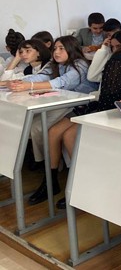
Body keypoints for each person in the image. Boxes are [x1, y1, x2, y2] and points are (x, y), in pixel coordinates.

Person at [49, 17, 121, 209]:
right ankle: (80, 184)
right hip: (115, 111)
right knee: (67, 134)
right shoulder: (119, 60)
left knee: (70, 134)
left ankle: (83, 184)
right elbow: (109, 98)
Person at [8, 36, 99, 205]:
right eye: (55, 48)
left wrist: (29, 86)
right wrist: (12, 83)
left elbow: (61, 83)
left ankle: (72, 184)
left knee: (53, 132)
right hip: (70, 106)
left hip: (86, 108)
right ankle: (51, 181)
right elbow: (39, 77)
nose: (56, 52)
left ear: (71, 49)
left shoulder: (79, 64)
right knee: (49, 132)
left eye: (61, 48)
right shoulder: (55, 64)